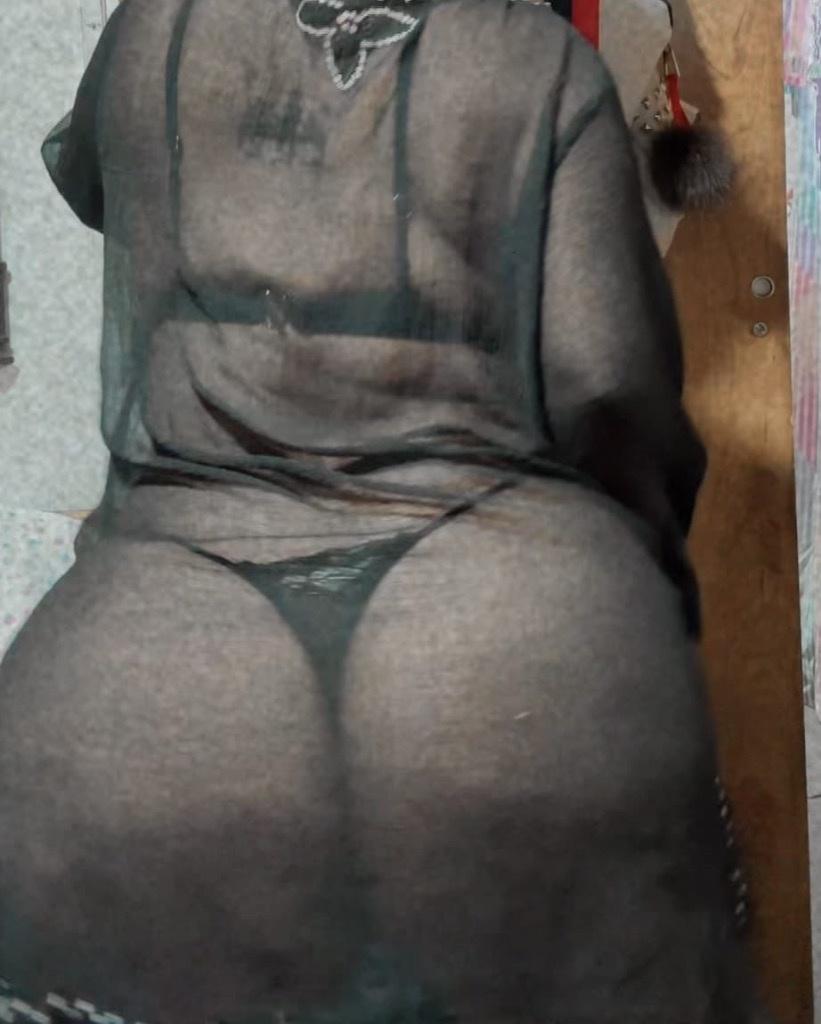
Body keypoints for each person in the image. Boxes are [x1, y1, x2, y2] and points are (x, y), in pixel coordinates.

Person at [0, 0, 767, 1021]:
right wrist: (633, 606)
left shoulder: (155, 28)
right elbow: (606, 389)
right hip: (491, 616)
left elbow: (103, 185)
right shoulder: (536, 65)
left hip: (162, 650)